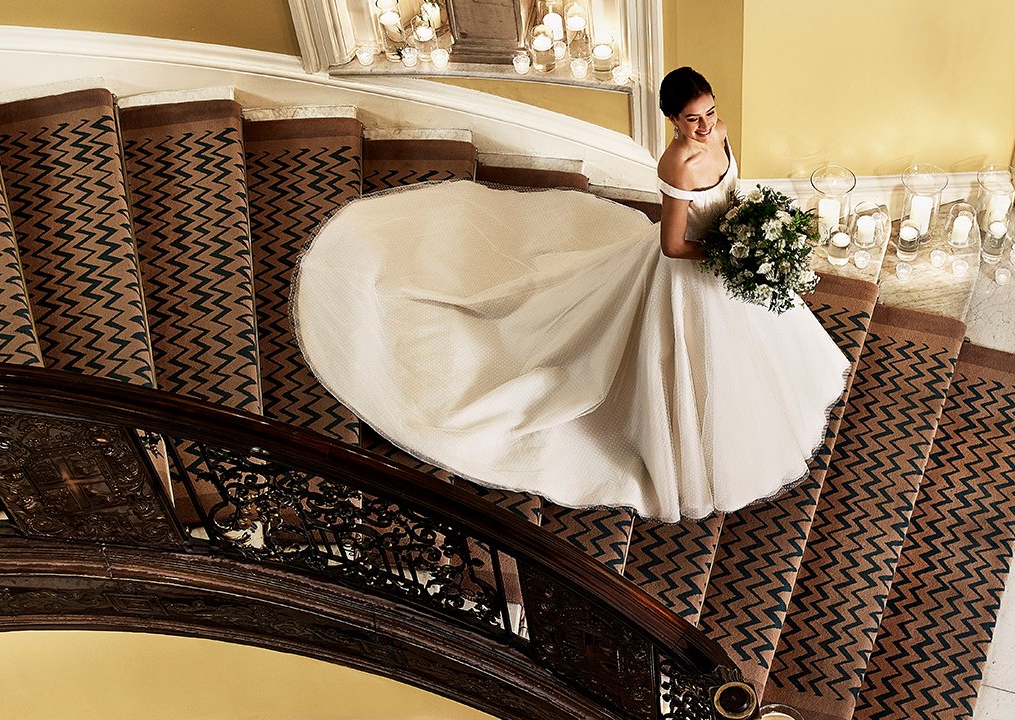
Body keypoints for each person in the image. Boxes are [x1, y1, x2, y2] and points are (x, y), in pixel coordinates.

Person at [295, 67, 849, 522]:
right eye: (691, 119)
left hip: (729, 257)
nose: (704, 127)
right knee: (677, 362)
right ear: (672, 122)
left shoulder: (722, 133)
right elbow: (674, 245)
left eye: (708, 113)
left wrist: (752, 229)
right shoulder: (675, 163)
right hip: (689, 273)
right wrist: (732, 258)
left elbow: (731, 190)